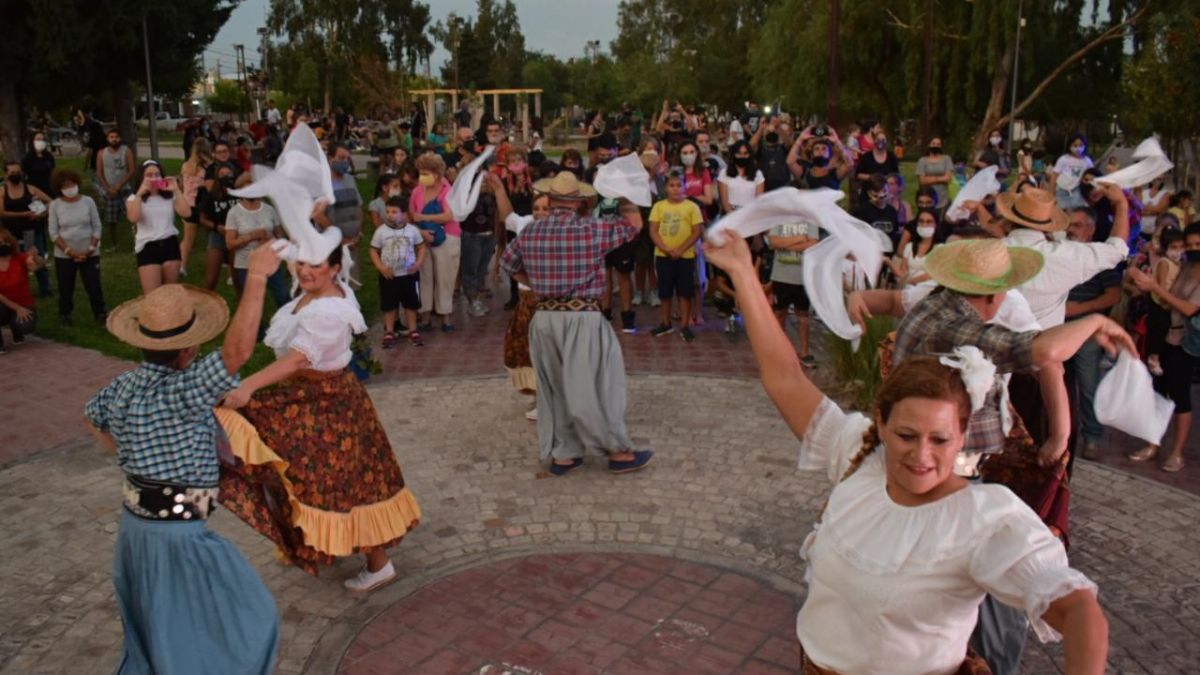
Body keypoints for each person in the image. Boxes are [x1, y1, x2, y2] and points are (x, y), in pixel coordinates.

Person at [705, 233, 1109, 675]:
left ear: (961, 438)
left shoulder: (986, 517)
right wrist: (743, 273)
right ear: (880, 421)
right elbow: (784, 377)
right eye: (905, 435)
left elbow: (1079, 610)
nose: (921, 455)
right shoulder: (857, 452)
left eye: (940, 440)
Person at [84, 253, 281, 674]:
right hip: (177, 538)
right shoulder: (184, 392)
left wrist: (130, 452)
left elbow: (92, 416)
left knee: (161, 632)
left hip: (136, 533)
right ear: (189, 348)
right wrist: (258, 278)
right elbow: (238, 351)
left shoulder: (123, 385)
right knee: (249, 617)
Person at [217, 240, 421, 591]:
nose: (306, 271)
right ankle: (309, 540)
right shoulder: (313, 294)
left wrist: (247, 386)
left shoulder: (329, 311)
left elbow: (298, 358)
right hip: (307, 397)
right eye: (301, 264)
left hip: (329, 403)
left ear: (336, 268)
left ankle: (379, 563)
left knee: (346, 482)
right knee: (301, 474)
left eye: (315, 265)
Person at [499, 172, 653, 476]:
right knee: (597, 385)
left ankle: (564, 454)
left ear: (550, 199)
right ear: (579, 201)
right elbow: (634, 225)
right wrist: (625, 194)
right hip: (583, 317)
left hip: (544, 318)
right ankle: (617, 452)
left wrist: (539, 284)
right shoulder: (592, 229)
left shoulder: (531, 232)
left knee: (553, 387)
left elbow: (508, 264)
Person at [1127, 223, 1200, 473]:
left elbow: (1190, 309)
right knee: (1157, 391)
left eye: (1196, 245)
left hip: (1186, 342)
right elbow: (1167, 300)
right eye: (1188, 245)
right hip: (1165, 336)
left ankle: (1177, 452)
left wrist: (1155, 288)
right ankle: (1153, 443)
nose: (1191, 250)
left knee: (1180, 396)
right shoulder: (1184, 267)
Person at [1062, 208, 1124, 462]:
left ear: (1090, 228)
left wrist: (1081, 308)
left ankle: (1092, 437)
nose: (1071, 229)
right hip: (1059, 330)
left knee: (1088, 387)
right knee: (1057, 386)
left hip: (1086, 331)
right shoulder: (1060, 253)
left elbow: (1114, 294)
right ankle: (1061, 435)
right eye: (1069, 224)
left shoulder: (1100, 257)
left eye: (1077, 225)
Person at [497, 191, 551, 420]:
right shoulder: (526, 224)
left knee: (543, 351)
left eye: (545, 208)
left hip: (545, 301)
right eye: (536, 207)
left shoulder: (559, 233)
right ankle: (537, 391)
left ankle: (547, 400)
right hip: (525, 299)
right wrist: (499, 187)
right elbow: (507, 216)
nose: (539, 213)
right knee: (521, 348)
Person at [648, 173, 704, 342]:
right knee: (665, 291)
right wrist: (665, 248)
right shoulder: (659, 206)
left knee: (685, 292)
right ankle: (665, 323)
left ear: (684, 187)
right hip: (663, 255)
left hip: (685, 256)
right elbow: (653, 230)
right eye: (671, 185)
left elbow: (697, 231)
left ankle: (685, 325)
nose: (675, 189)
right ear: (666, 188)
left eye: (679, 185)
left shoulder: (692, 207)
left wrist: (681, 249)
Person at [409, 152, 461, 332]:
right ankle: (425, 317)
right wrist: (421, 232)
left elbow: (449, 215)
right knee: (425, 277)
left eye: (426, 172)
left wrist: (424, 216)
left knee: (445, 277)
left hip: (447, 238)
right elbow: (411, 216)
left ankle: (446, 316)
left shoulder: (448, 190)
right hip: (423, 240)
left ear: (437, 173)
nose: (422, 176)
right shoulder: (417, 191)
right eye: (421, 172)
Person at [48, 169, 106, 325]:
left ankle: (100, 313)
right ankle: (65, 314)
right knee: (66, 286)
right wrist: (69, 251)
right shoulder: (55, 205)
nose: (70, 188)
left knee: (93, 285)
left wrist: (91, 248)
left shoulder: (88, 201)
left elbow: (97, 226)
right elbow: (53, 233)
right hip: (64, 254)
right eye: (65, 186)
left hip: (90, 251)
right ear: (59, 188)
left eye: (72, 184)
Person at [224, 174, 291, 307]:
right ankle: (258, 328)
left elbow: (281, 236)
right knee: (251, 303)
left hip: (271, 260)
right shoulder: (234, 213)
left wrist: (271, 239)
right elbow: (229, 243)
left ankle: (286, 325)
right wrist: (250, 237)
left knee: (283, 295)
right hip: (245, 265)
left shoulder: (269, 209)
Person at [126, 161, 190, 294]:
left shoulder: (169, 196)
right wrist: (140, 194)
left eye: (157, 174)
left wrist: (177, 190)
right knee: (152, 296)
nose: (154, 178)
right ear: (141, 178)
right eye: (148, 175)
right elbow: (133, 218)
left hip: (169, 244)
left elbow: (186, 213)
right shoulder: (133, 198)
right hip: (147, 247)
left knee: (170, 293)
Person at [370, 196, 426, 348]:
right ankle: (389, 331)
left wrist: (418, 262)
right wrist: (381, 267)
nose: (390, 215)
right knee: (389, 304)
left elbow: (421, 247)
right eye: (387, 211)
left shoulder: (412, 230)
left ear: (404, 214)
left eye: (394, 212)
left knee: (411, 304)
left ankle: (412, 330)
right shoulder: (381, 231)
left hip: (409, 274)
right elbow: (373, 251)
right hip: (389, 276)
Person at [766, 219, 819, 366]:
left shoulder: (810, 219)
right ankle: (781, 351)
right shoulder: (780, 217)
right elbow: (773, 242)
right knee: (779, 313)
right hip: (781, 275)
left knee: (803, 314)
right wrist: (800, 239)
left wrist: (786, 243)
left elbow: (813, 245)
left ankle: (804, 352)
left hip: (803, 276)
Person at [1, 160, 52, 298]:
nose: (16, 175)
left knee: (36, 257)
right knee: (14, 262)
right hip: (11, 234)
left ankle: (45, 289)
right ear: (6, 174)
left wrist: (43, 213)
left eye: (18, 172)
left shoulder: (30, 189)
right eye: (12, 172)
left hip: (31, 231)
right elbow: (2, 212)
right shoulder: (2, 191)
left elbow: (50, 201)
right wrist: (23, 214)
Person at [459, 169, 501, 318]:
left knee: (482, 270)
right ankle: (472, 301)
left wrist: (496, 235)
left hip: (489, 236)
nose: (483, 183)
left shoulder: (494, 194)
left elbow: (497, 214)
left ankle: (477, 299)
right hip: (472, 236)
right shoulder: (466, 195)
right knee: (471, 270)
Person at [1146, 228, 1185, 377]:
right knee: (1160, 326)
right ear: (1165, 248)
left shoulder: (1180, 264)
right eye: (1174, 247)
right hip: (1160, 302)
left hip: (1170, 301)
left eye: (1181, 247)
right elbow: (1161, 286)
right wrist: (1165, 300)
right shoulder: (1164, 262)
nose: (1178, 251)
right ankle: (1153, 357)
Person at [199, 162, 240, 291]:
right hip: (218, 234)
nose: (226, 177)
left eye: (229, 174)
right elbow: (202, 219)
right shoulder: (212, 195)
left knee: (238, 279)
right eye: (222, 175)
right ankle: (206, 306)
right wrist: (217, 227)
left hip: (238, 236)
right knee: (210, 280)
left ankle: (243, 308)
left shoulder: (241, 193)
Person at [0, 228, 40, 353]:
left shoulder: (20, 258)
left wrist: (35, 257)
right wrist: (17, 308)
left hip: (24, 303)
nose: (2, 246)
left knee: (26, 325)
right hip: (4, 304)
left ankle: (16, 330)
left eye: (4, 243)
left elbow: (35, 267)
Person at [888, 207, 948, 287]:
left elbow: (932, 274)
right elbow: (903, 273)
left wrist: (910, 281)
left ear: (936, 224)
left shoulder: (941, 249)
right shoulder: (909, 247)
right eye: (921, 221)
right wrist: (888, 262)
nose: (924, 225)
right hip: (908, 289)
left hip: (929, 290)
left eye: (929, 222)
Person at [97, 129, 136, 250]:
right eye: (111, 137)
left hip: (125, 190)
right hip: (110, 192)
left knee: (133, 217)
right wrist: (108, 188)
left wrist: (119, 185)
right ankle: (114, 245)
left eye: (116, 136)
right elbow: (99, 172)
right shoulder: (101, 153)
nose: (114, 139)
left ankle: (138, 243)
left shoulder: (126, 151)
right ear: (107, 139)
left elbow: (131, 170)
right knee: (111, 220)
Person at [179, 137, 214, 272]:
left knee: (188, 238)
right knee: (212, 236)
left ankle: (182, 265)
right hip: (203, 205)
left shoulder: (185, 165)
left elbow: (182, 184)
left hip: (187, 204)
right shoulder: (208, 167)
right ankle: (221, 261)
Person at [323, 144, 362, 245]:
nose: (345, 162)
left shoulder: (350, 179)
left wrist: (358, 233)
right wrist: (340, 240)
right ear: (330, 159)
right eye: (341, 158)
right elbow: (319, 216)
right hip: (330, 244)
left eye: (347, 158)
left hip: (352, 241)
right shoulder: (322, 183)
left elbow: (358, 207)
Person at [852, 174, 901, 250]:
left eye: (883, 190)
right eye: (876, 191)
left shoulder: (891, 210)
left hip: (888, 252)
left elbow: (894, 232)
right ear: (869, 192)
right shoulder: (862, 210)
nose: (880, 194)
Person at [1048, 133, 1094, 209]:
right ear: (1069, 146)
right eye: (1075, 145)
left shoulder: (1087, 161)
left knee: (1076, 213)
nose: (1078, 148)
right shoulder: (1064, 159)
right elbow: (1054, 176)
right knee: (1060, 213)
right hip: (1061, 191)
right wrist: (1051, 193)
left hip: (1077, 191)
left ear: (1085, 146)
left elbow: (1093, 175)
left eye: (1081, 145)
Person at [718, 141, 765, 214]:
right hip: (730, 215)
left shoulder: (758, 174)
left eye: (745, 153)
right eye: (739, 153)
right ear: (733, 154)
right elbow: (725, 205)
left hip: (751, 215)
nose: (742, 156)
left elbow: (758, 201)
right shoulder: (724, 173)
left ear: (750, 154)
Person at [917, 136, 954, 208]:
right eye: (933, 143)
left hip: (943, 199)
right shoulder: (922, 160)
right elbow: (922, 181)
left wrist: (929, 178)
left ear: (941, 146)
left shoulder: (946, 159)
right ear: (929, 145)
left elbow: (948, 179)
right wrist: (941, 178)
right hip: (926, 199)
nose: (936, 146)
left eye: (938, 144)